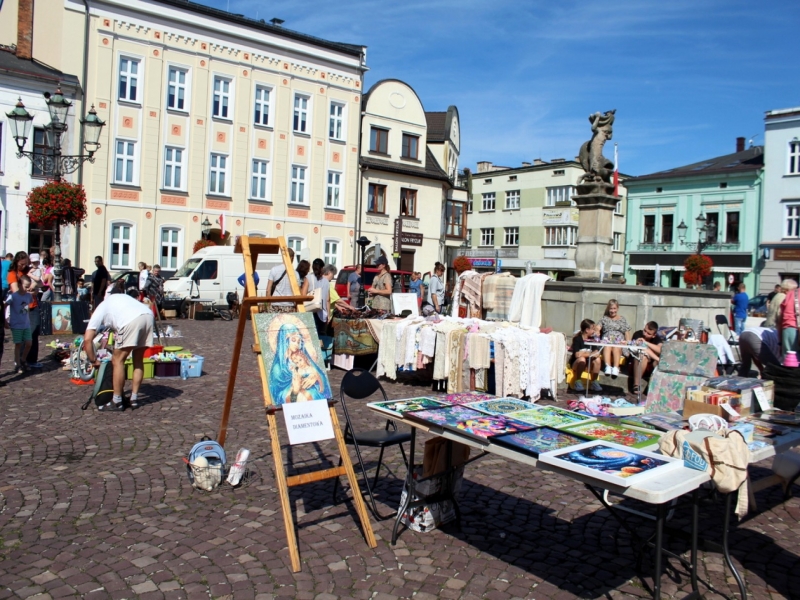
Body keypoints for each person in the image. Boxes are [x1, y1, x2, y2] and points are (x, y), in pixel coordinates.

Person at [84, 290, 155, 411]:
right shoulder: (120, 299)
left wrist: (93, 361)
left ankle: (116, 401)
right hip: (148, 315)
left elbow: (87, 340)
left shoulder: (99, 310)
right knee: (138, 360)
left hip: (130, 320)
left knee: (117, 360)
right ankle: (134, 399)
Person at [268, 321, 332, 405]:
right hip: (296, 400)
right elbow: (278, 395)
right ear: (284, 341)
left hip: (313, 394)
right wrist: (295, 391)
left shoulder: (302, 356)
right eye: (293, 340)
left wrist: (316, 377)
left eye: (298, 342)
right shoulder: (278, 368)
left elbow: (321, 377)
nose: (296, 344)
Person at [7, 252, 42, 369]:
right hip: (22, 306)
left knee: (34, 331)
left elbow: (40, 283)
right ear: (16, 262)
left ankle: (31, 360)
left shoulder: (28, 271)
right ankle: (21, 360)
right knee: (25, 334)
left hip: (33, 304)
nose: (23, 266)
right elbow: (16, 291)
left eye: (25, 264)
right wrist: (30, 291)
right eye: (21, 264)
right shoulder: (13, 273)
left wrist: (35, 288)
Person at [5, 275, 33, 374]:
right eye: (26, 286)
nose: (27, 289)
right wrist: (5, 320)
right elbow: (5, 305)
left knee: (29, 343)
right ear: (20, 285)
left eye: (29, 286)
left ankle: (23, 359)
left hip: (26, 324)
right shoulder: (13, 296)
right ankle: (17, 364)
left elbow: (28, 306)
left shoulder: (28, 296)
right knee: (18, 344)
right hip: (16, 324)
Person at [629, 321, 664, 394]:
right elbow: (642, 347)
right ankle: (636, 385)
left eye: (648, 333)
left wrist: (646, 343)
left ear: (654, 335)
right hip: (635, 364)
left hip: (649, 366)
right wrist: (657, 358)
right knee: (642, 356)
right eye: (644, 330)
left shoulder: (656, 338)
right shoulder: (638, 334)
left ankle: (653, 386)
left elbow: (660, 349)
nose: (645, 334)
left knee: (657, 362)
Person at [599, 299, 631, 377]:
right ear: (608, 308)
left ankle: (616, 368)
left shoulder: (622, 319)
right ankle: (608, 367)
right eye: (611, 308)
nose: (613, 311)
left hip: (619, 342)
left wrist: (627, 342)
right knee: (607, 346)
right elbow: (597, 328)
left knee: (616, 346)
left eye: (614, 308)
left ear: (617, 308)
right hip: (607, 341)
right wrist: (596, 331)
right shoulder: (604, 319)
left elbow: (627, 332)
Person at [570, 319, 602, 393]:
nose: (594, 331)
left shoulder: (593, 340)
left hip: (588, 365)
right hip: (577, 364)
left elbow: (596, 352)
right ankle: (578, 381)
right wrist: (590, 354)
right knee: (582, 359)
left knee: (597, 359)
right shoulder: (577, 339)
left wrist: (584, 353)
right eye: (593, 329)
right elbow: (577, 355)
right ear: (587, 330)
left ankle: (594, 382)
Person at [265, 248, 296, 313]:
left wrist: (269, 303)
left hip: (275, 304)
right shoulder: (296, 273)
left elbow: (268, 289)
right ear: (292, 258)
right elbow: (297, 292)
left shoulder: (274, 270)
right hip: (289, 305)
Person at [779, 279, 800, 354]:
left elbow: (781, 318)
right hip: (792, 326)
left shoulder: (791, 294)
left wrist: (780, 341)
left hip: (790, 328)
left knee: (790, 356)